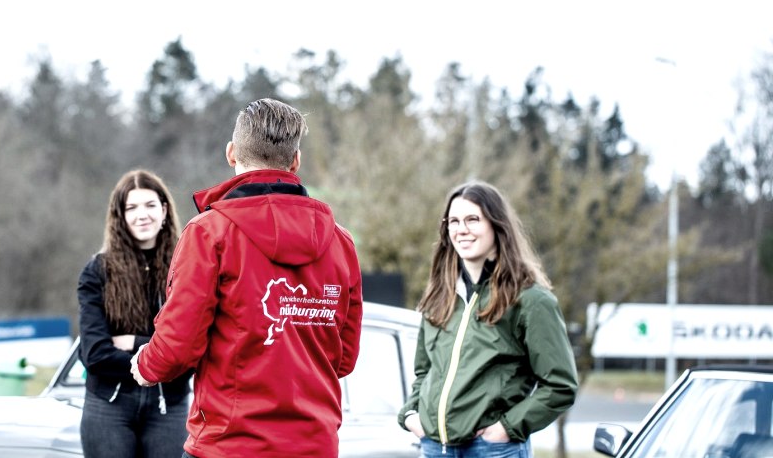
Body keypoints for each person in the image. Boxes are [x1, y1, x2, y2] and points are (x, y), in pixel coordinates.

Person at [131, 98, 364, 458]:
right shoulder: (340, 241)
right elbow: (344, 358)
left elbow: (178, 345)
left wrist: (146, 364)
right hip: (313, 445)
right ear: (296, 161)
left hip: (230, 444)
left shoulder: (210, 232)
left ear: (231, 153)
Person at [398, 180, 578, 457]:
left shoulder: (530, 300)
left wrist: (506, 428)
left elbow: (560, 386)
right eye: (454, 221)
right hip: (435, 448)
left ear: (497, 225)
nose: (462, 230)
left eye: (473, 219)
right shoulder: (439, 296)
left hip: (492, 449)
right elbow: (425, 371)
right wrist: (412, 414)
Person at [77, 169, 191, 458]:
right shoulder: (97, 272)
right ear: (120, 216)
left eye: (150, 205)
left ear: (164, 210)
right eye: (132, 207)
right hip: (108, 407)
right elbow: (94, 354)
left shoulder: (188, 269)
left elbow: (191, 351)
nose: (143, 215)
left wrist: (133, 342)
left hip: (170, 405)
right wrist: (159, 352)